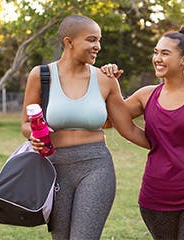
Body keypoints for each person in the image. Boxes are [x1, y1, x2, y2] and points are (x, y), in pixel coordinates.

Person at [21, 14, 149, 240]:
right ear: (68, 42)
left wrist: (167, 146)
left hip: (96, 167)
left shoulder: (105, 79)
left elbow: (127, 128)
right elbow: (25, 123)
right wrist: (34, 135)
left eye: (99, 40)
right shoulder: (41, 76)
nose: (98, 46)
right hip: (54, 168)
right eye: (91, 40)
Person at [101, 24, 184, 239]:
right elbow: (110, 121)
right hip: (155, 197)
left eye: (165, 53)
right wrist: (109, 82)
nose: (157, 58)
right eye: (156, 52)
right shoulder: (146, 95)